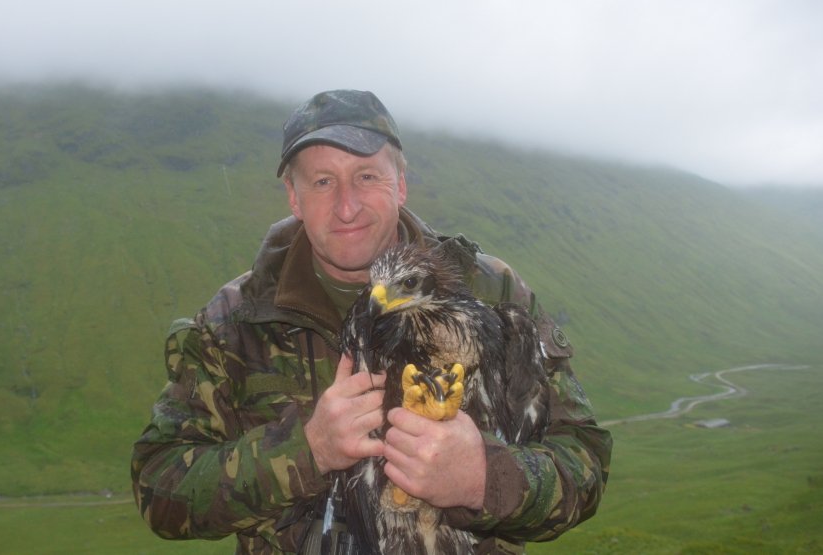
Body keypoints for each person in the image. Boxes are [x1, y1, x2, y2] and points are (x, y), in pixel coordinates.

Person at [131, 89, 612, 554]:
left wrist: (484, 477)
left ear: (400, 183)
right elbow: (159, 487)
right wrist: (306, 450)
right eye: (322, 182)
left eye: (366, 177)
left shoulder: (493, 294)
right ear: (293, 197)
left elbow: (585, 460)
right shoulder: (233, 322)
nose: (346, 207)